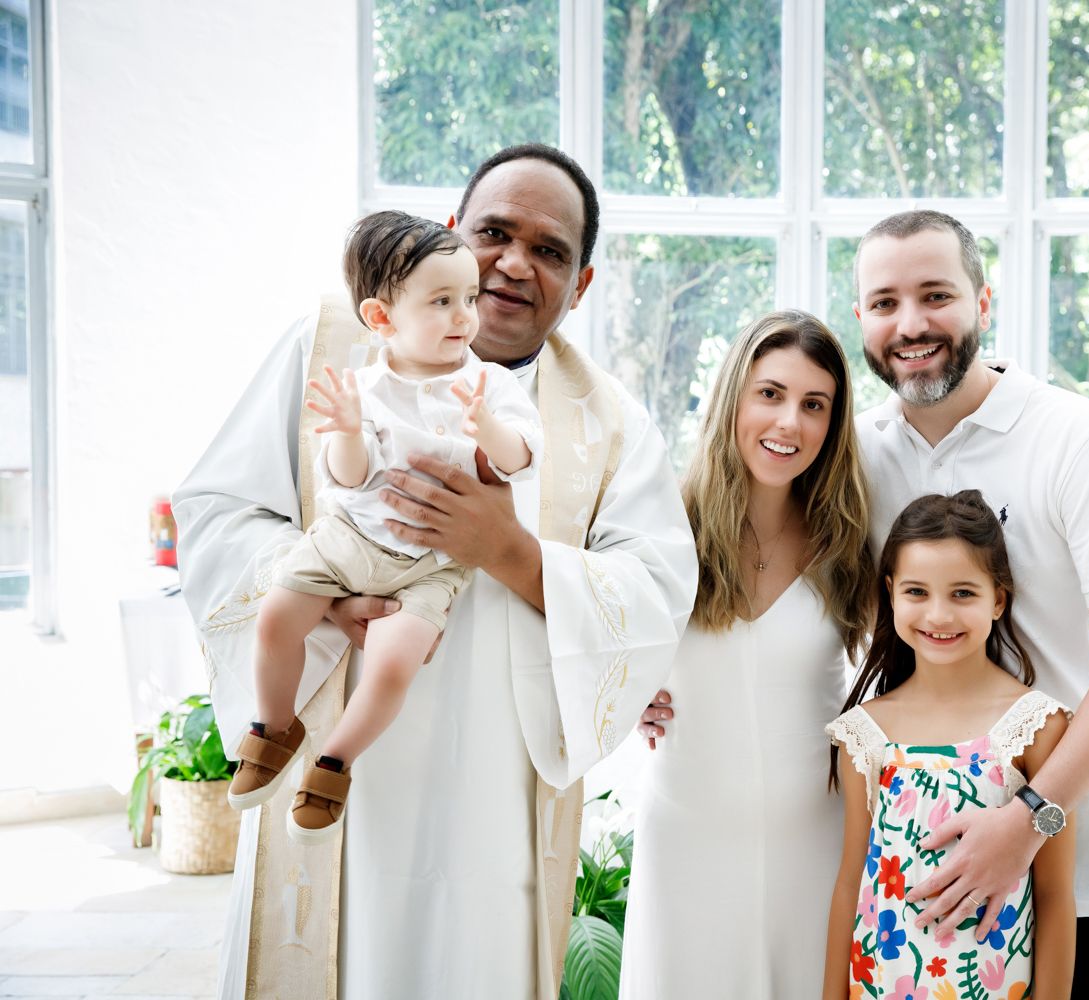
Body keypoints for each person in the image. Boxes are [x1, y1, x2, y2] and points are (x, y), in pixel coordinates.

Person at [174, 144, 697, 999]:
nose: (513, 264)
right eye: (493, 231)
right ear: (452, 232)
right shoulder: (329, 348)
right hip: (342, 757)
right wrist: (321, 592)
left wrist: (508, 551)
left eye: (550, 250)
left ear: (583, 283)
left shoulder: (607, 420)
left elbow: (656, 593)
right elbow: (217, 511)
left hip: (495, 808)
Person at [853, 210, 1089, 997]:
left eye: (936, 295)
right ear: (861, 317)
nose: (912, 323)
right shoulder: (855, 454)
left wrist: (1029, 819)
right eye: (885, 302)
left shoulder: (1074, 439)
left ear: (982, 302)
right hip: (922, 897)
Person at [228, 210, 543, 845]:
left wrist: (490, 432)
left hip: (430, 564)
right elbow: (347, 478)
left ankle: (335, 760)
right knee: (275, 619)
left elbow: (521, 459)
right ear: (381, 319)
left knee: (395, 664)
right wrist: (345, 429)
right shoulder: (363, 389)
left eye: (469, 299)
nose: (465, 317)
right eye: (442, 302)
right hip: (346, 545)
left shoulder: (490, 386)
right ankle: (274, 724)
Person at [619, 310, 875, 999]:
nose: (789, 422)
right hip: (687, 836)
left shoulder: (848, 539)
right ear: (733, 396)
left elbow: (909, 671)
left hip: (817, 840)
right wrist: (625, 692)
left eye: (813, 405)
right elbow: (587, 640)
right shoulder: (663, 524)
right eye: (770, 394)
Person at [824, 491, 1075, 1000]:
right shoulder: (863, 733)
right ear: (890, 593)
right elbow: (852, 881)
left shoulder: (1035, 724)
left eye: (963, 593)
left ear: (998, 599)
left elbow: (1054, 893)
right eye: (917, 591)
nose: (939, 615)